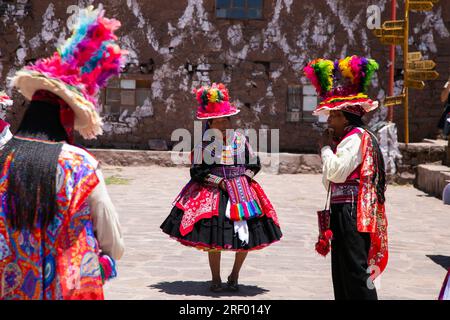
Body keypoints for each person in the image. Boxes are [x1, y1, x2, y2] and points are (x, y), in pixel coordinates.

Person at [0, 6, 126, 300]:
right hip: (65, 288)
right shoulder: (80, 165)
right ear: (64, 117)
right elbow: (113, 241)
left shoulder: (3, 156)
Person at [161, 83, 282, 292]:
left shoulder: (241, 140)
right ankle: (215, 278)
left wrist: (243, 179)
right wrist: (221, 182)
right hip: (215, 193)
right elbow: (197, 172)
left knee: (248, 234)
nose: (224, 125)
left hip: (242, 191)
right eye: (219, 122)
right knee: (213, 237)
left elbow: (255, 163)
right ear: (210, 124)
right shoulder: (204, 145)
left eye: (226, 120)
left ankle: (235, 275)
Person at [304, 56, 388, 300]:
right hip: (346, 210)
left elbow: (336, 172)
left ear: (346, 118)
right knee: (341, 270)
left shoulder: (355, 138)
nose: (329, 121)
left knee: (355, 270)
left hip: (352, 213)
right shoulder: (349, 138)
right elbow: (331, 179)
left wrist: (324, 148)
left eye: (333, 116)